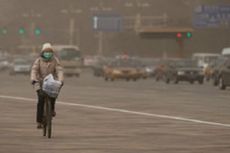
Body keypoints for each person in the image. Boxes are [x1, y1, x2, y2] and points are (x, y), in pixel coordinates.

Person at [30, 43, 64, 129]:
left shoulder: (55, 60)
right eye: (46, 52)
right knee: (41, 100)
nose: (48, 53)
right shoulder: (38, 61)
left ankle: (51, 109)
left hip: (50, 82)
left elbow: (59, 71)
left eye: (49, 52)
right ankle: (39, 121)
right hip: (40, 82)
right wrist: (34, 80)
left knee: (53, 95)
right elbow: (34, 71)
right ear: (43, 52)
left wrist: (60, 80)